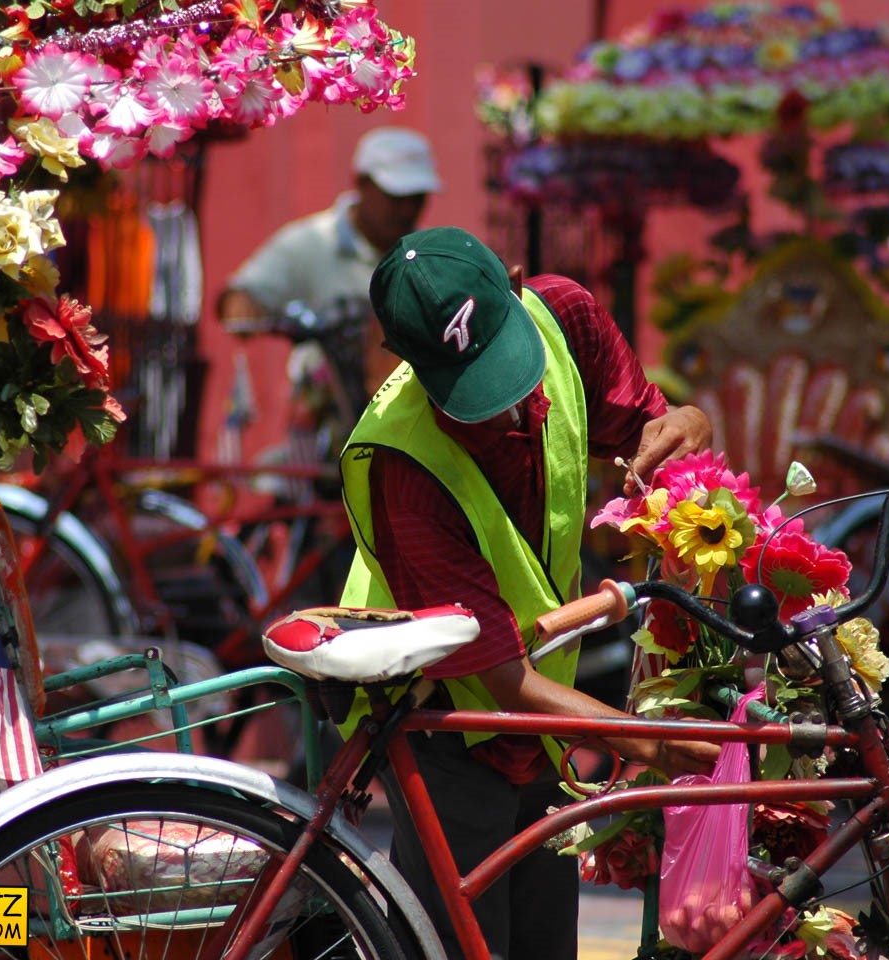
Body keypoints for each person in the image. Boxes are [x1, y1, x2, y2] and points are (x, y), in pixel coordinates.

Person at [337, 226, 719, 960]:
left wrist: (688, 424)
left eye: (508, 375)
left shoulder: (566, 318)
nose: (506, 411)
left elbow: (647, 427)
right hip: (445, 718)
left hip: (542, 720)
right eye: (472, 396)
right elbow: (501, 678)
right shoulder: (402, 466)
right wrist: (658, 743)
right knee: (457, 944)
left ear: (513, 283)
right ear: (412, 365)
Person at [218, 126, 442, 426]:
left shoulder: (434, 259)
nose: (406, 210)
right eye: (395, 196)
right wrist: (242, 304)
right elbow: (241, 293)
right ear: (361, 184)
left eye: (416, 199)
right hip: (327, 418)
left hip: (410, 420)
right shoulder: (311, 242)